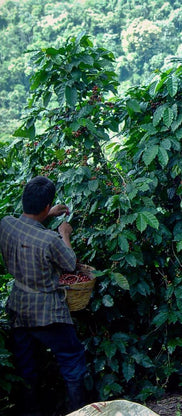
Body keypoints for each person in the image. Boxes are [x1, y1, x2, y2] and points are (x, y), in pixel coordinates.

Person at [0, 176, 87, 415]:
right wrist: (65, 233)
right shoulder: (50, 240)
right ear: (47, 206)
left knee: (26, 367)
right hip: (47, 311)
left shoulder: (5, 223)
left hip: (18, 306)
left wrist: (46, 215)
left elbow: (25, 228)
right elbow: (70, 264)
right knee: (72, 360)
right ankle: (79, 411)